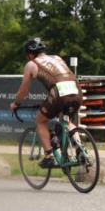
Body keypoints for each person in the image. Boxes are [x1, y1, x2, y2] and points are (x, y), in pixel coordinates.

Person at [10, 38, 83, 168]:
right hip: (76, 90)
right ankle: (81, 150)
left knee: (40, 121)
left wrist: (16, 103)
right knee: (68, 121)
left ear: (30, 54)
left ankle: (49, 156)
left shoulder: (31, 64)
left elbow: (23, 90)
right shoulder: (57, 58)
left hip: (59, 94)